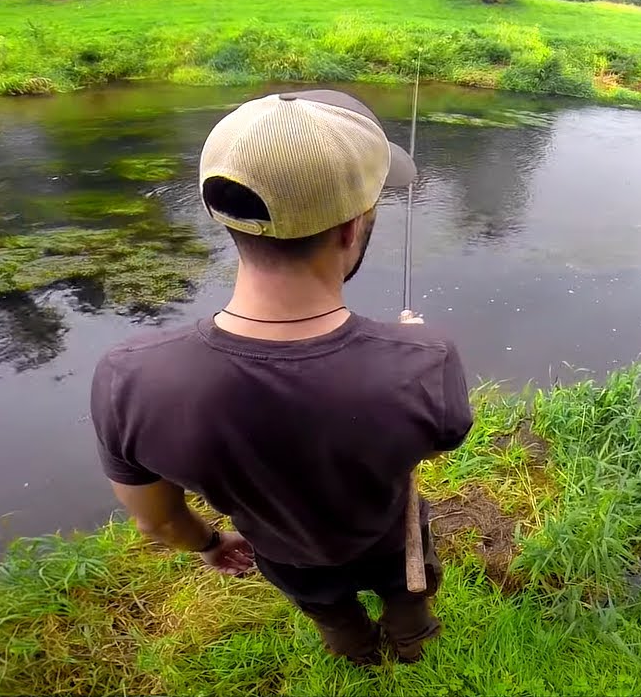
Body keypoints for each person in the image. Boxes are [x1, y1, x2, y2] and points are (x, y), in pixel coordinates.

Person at [89, 90, 473, 665]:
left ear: (226, 214)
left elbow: (159, 521)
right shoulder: (426, 356)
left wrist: (211, 544)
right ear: (351, 229)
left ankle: (357, 652)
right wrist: (407, 344)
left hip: (288, 560)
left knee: (330, 613)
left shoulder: (128, 377)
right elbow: (440, 438)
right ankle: (412, 640)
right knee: (409, 592)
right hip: (393, 544)